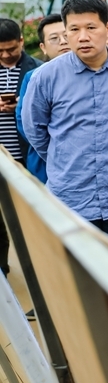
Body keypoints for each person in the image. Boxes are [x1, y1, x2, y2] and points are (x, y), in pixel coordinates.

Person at [22, 0, 108, 258]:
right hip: (70, 201)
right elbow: (34, 130)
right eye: (74, 29)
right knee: (77, 281)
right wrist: (64, 157)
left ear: (107, 28)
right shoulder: (45, 77)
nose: (83, 37)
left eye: (91, 27)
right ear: (66, 33)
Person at [0, 18, 43, 277]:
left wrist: (22, 106)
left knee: (28, 219)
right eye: (0, 50)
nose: (6, 55)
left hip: (25, 158)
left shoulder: (37, 70)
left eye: (11, 49)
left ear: (21, 42)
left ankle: (36, 272)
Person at [16, 14, 71, 184]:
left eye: (67, 35)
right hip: (45, 165)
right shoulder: (33, 77)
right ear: (43, 47)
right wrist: (57, 151)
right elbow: (26, 123)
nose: (63, 42)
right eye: (54, 38)